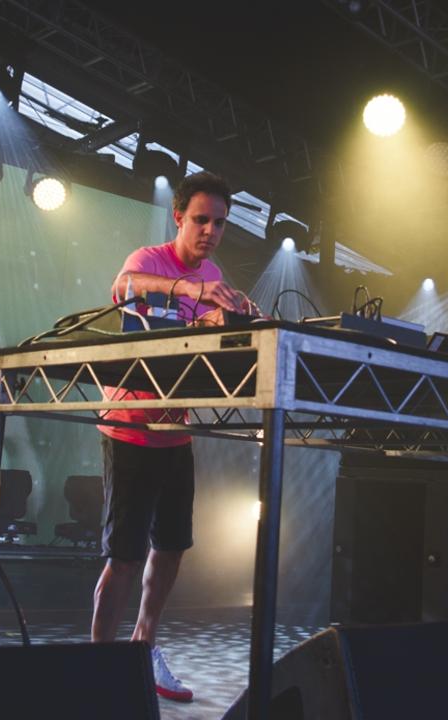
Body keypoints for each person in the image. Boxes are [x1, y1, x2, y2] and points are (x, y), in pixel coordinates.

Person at [91, 171, 255, 703]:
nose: (210, 231)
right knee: (124, 555)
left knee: (173, 547)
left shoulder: (215, 273)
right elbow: (125, 289)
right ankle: (101, 664)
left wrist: (232, 319)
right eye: (201, 219)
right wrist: (190, 288)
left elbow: (208, 330)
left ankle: (144, 645)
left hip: (175, 433)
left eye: (220, 223)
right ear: (178, 217)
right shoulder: (148, 260)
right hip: (130, 429)